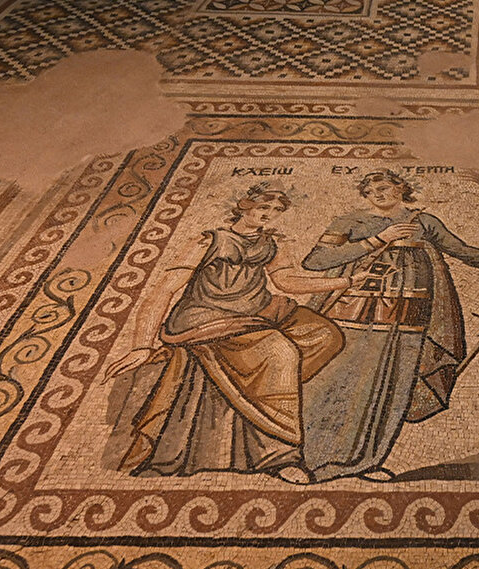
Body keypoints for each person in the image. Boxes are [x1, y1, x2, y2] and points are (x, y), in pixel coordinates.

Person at [300, 170, 479, 482]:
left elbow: (463, 251)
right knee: (332, 381)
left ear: (401, 188)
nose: (377, 193)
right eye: (371, 189)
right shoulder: (350, 222)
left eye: (384, 186)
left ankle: (364, 462)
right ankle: (306, 458)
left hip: (407, 317)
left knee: (390, 388)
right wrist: (378, 240)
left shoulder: (424, 222)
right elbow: (316, 261)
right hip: (350, 313)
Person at [109, 185, 349, 482]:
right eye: (263, 208)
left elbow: (287, 281)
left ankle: (252, 396)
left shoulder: (270, 243)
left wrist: (343, 282)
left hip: (257, 311)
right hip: (207, 315)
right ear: (244, 205)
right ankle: (280, 452)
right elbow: (165, 289)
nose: (268, 216)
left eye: (275, 211)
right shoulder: (209, 240)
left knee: (323, 335)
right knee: (280, 353)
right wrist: (142, 346)